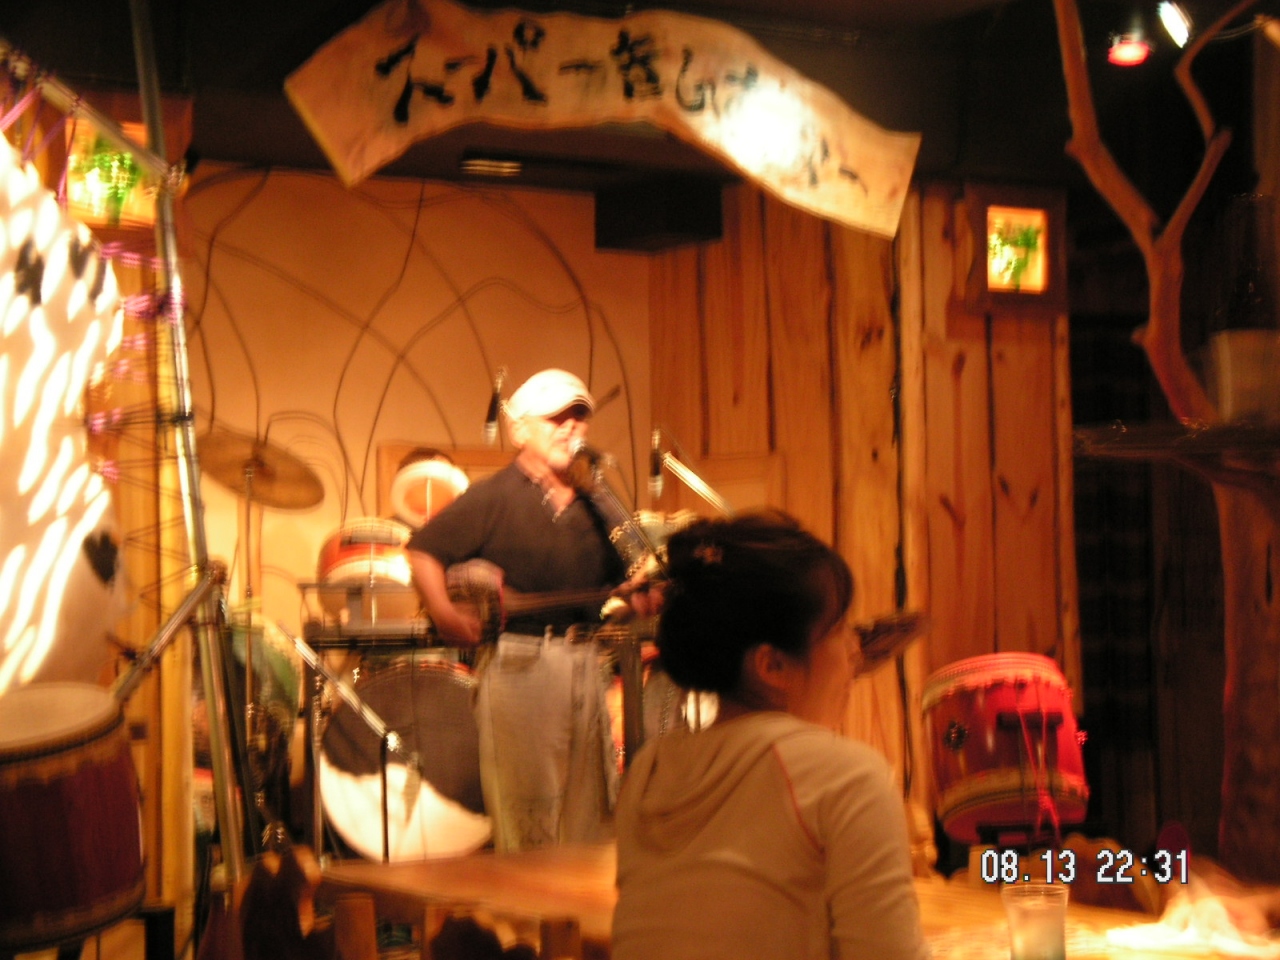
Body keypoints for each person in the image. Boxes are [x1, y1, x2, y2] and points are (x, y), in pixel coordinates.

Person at [612, 511, 928, 960]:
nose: (855, 651)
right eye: (839, 630)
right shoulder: (847, 777)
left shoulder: (648, 773)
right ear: (772, 666)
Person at [406, 368, 649, 852]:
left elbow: (625, 585)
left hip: (586, 665)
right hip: (521, 667)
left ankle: (579, 902)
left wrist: (639, 598)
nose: (571, 427)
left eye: (579, 418)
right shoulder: (495, 496)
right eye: (556, 418)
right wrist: (445, 613)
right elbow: (422, 551)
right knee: (529, 818)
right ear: (519, 430)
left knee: (588, 820)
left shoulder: (597, 504)